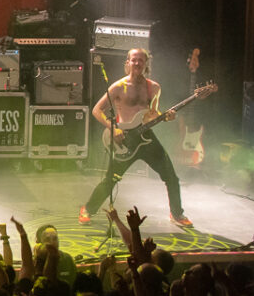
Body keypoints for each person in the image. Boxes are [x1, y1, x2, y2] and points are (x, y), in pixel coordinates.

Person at [78, 48, 192, 228]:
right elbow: (96, 110)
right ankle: (88, 209)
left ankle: (177, 214)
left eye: (141, 60)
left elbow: (153, 114)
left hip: (147, 139)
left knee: (171, 177)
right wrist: (113, 128)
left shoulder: (154, 87)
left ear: (146, 63)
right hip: (125, 140)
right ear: (128, 62)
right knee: (111, 180)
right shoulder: (118, 87)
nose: (137, 63)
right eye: (134, 60)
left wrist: (166, 117)